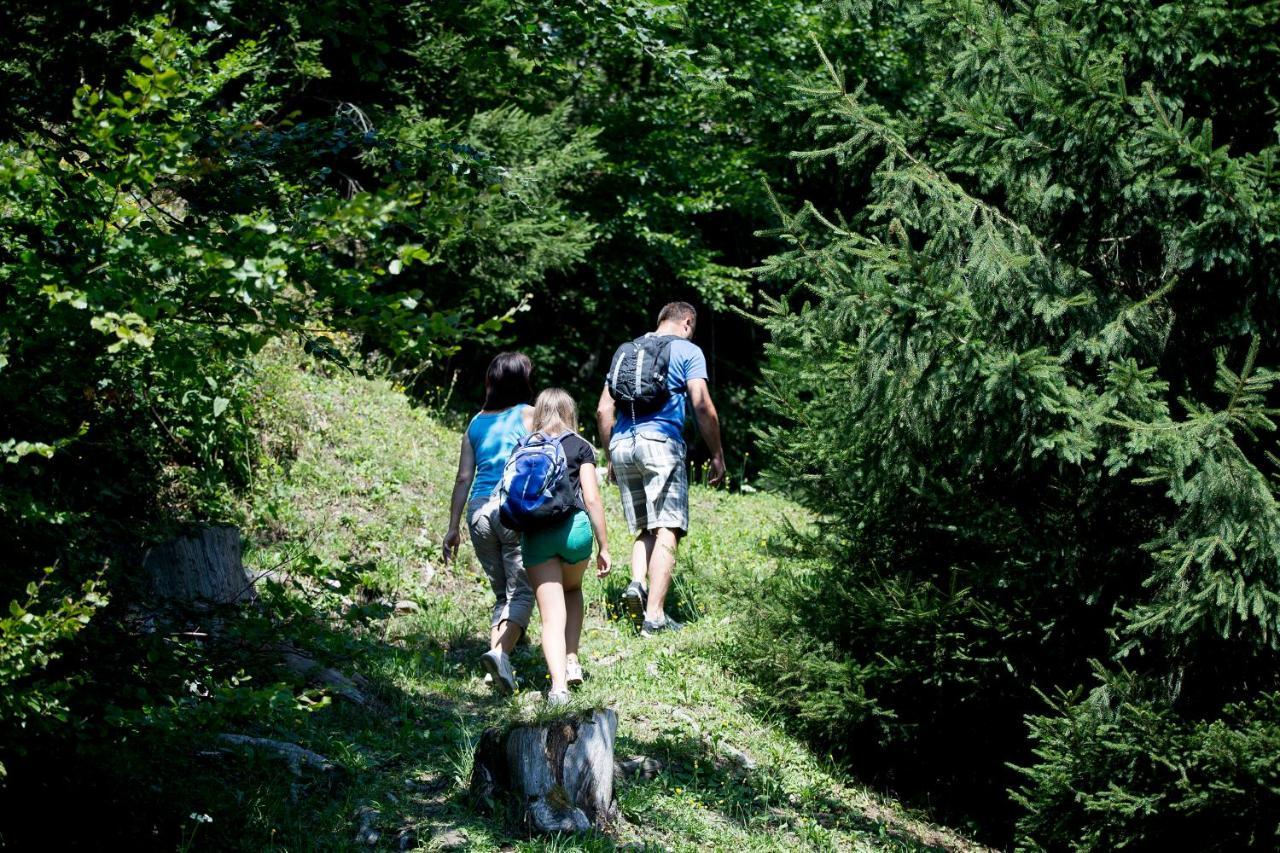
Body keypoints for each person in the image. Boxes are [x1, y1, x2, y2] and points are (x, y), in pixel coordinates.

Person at [596, 301, 725, 637]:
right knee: (667, 526)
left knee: (644, 527)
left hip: (623, 445)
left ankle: (637, 583)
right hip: (660, 444)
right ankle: (654, 617)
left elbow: (602, 409)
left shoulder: (626, 350)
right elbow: (702, 405)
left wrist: (611, 456)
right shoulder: (687, 350)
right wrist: (717, 454)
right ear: (687, 321)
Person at [443, 352, 535, 695]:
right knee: (522, 590)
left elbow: (464, 477)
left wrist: (452, 528)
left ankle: (496, 664)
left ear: (491, 382)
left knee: (503, 593)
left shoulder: (475, 422)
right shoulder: (528, 415)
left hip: (479, 512)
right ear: (522, 382)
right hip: (513, 508)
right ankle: (499, 654)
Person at [519, 389, 611, 705]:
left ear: (540, 411)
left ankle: (558, 689)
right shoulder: (581, 446)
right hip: (575, 531)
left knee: (550, 617)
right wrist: (604, 546)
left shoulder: (526, 444)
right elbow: (593, 498)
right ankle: (572, 659)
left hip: (537, 533)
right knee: (572, 591)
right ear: (570, 412)